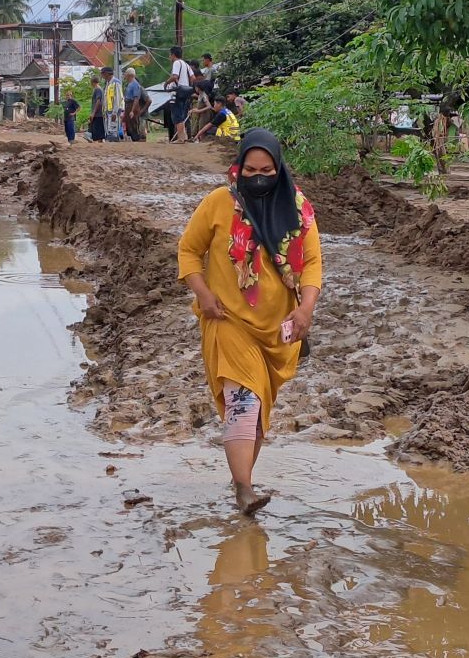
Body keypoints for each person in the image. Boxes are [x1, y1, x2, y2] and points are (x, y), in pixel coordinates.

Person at [176, 129, 322, 514]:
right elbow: (189, 251)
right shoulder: (218, 204)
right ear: (238, 168)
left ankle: (241, 481)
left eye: (267, 170)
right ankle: (244, 489)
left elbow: (311, 264)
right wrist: (204, 296)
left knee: (257, 411)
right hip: (227, 322)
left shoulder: (298, 209)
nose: (258, 177)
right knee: (244, 400)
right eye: (251, 169)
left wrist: (305, 308)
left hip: (275, 332)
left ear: (279, 169)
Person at [163, 46, 193, 143]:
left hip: (177, 92)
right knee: (182, 114)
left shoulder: (176, 63)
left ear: (173, 55)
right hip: (186, 91)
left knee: (176, 115)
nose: (169, 57)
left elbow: (175, 76)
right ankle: (184, 137)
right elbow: (193, 77)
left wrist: (167, 82)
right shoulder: (186, 64)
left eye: (170, 55)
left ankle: (181, 138)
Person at [124, 67, 144, 142]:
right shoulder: (129, 84)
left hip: (133, 105)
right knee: (129, 124)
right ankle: (133, 139)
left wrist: (132, 110)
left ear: (129, 75)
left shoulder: (135, 84)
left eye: (126, 74)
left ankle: (137, 139)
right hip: (128, 104)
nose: (125, 76)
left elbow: (136, 98)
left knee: (134, 124)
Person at [89, 75, 105, 143]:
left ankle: (100, 143)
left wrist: (93, 113)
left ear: (93, 82)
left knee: (98, 131)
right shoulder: (97, 89)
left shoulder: (98, 89)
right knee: (96, 130)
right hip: (97, 113)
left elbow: (98, 101)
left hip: (98, 114)